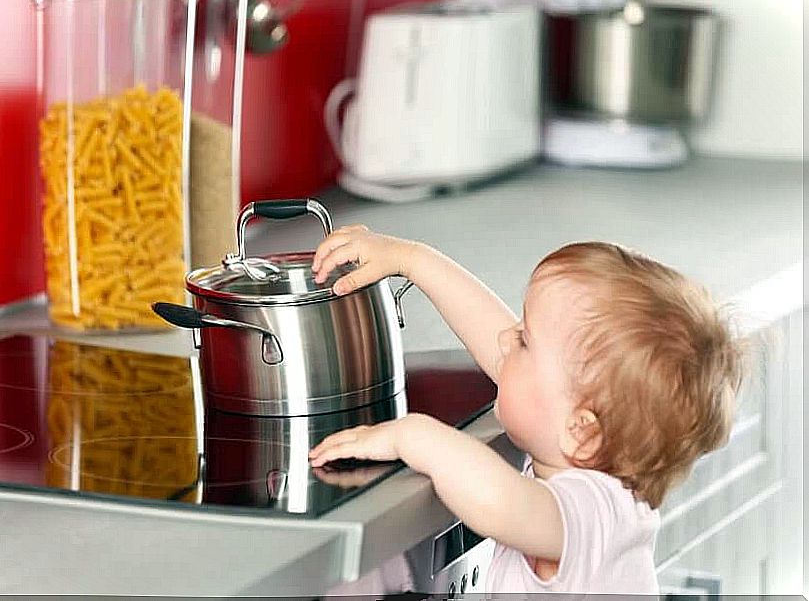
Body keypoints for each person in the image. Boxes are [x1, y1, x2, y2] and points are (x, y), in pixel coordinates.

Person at [307, 226, 745, 594]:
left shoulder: (600, 514)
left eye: (524, 340)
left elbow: (501, 503)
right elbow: (505, 353)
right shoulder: (590, 470)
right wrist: (413, 260)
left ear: (583, 431)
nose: (504, 342)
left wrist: (411, 434)